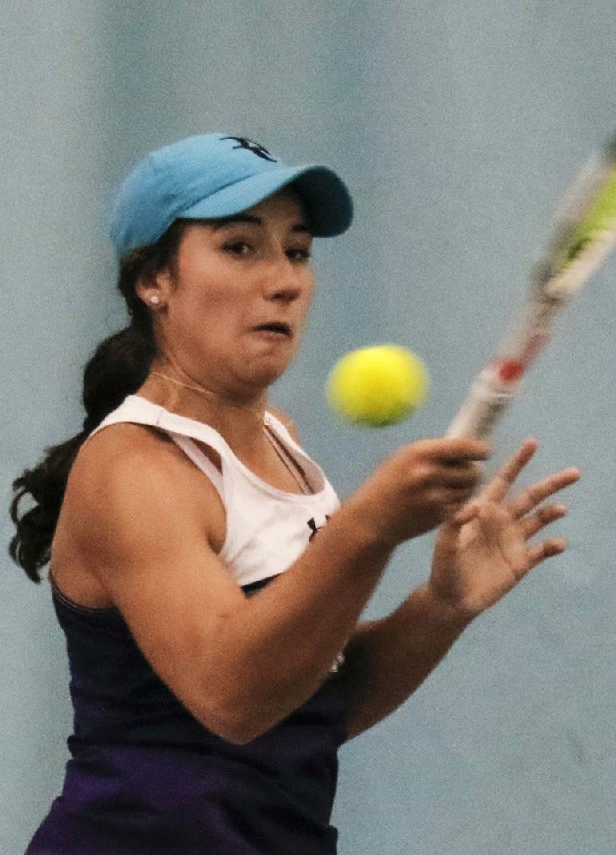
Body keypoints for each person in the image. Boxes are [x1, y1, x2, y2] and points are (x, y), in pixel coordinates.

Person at [9, 133, 580, 854]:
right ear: (155, 281)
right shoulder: (133, 468)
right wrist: (368, 527)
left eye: (297, 251)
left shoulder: (281, 437)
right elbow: (232, 698)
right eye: (240, 248)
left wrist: (440, 606)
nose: (283, 280)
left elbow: (310, 706)